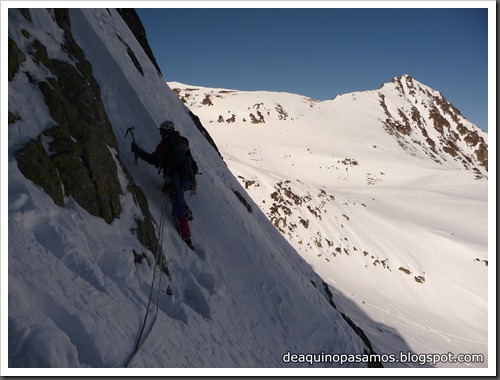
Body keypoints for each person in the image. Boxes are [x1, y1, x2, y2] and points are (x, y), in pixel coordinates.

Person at [131, 120, 197, 250]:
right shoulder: (182, 142)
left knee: (177, 206)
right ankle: (186, 212)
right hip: (187, 178)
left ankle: (186, 237)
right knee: (174, 195)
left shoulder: (165, 145)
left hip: (176, 179)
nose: (161, 134)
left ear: (166, 132)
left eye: (162, 132)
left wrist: (138, 151)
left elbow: (153, 159)